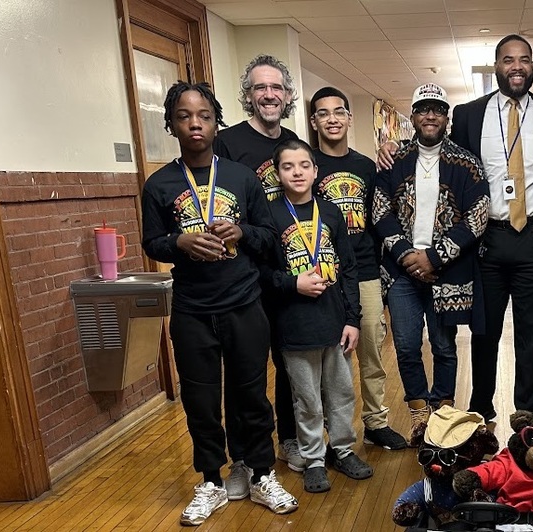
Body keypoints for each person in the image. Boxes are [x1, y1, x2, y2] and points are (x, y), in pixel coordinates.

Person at [376, 34, 533, 422]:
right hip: (487, 240)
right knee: (484, 330)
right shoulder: (470, 114)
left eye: (524, 59)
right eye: (508, 59)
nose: (516, 66)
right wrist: (392, 147)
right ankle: (482, 408)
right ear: (496, 66)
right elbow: (436, 150)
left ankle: (526, 413)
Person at [141, 81, 297, 526]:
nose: (195, 123)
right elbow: (151, 241)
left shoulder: (242, 178)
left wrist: (242, 232)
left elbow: (270, 237)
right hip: (192, 309)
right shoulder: (158, 184)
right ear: (171, 124)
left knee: (252, 395)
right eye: (184, 116)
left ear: (216, 123)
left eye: (204, 116)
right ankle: (211, 480)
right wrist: (180, 242)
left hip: (244, 303)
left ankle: (261, 473)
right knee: (201, 401)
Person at [372, 83, 489, 442]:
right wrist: (407, 255)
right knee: (407, 346)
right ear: (413, 116)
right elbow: (380, 212)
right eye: (423, 109)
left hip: (446, 272)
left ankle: (443, 414)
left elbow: (478, 216)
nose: (430, 115)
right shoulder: (394, 160)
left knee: (444, 347)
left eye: (438, 109)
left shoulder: (466, 162)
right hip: (402, 272)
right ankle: (420, 413)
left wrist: (434, 257)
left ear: (446, 117)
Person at [263, 138, 374, 494]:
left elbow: (349, 268)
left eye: (303, 165)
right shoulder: (268, 216)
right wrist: (292, 283)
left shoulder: (331, 212)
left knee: (341, 393)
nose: (296, 172)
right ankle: (313, 458)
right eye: (287, 166)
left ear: (315, 171)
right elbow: (262, 274)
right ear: (277, 173)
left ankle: (342, 450)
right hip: (294, 325)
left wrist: (352, 319)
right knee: (307, 398)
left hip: (334, 322)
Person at [213, 54, 305, 477]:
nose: (269, 95)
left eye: (276, 87)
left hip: (288, 270)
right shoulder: (227, 143)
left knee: (290, 364)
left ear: (287, 95)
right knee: (245, 371)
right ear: (248, 96)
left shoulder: (294, 141)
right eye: (259, 88)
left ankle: (289, 438)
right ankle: (245, 455)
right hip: (245, 275)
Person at [309, 86, 407, 451]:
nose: (332, 119)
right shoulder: (307, 165)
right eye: (323, 113)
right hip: (322, 272)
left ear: (350, 118)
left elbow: (381, 215)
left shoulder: (368, 166)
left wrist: (394, 145)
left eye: (339, 112)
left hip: (365, 269)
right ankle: (331, 432)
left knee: (371, 349)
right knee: (329, 357)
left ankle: (376, 422)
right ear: (314, 121)